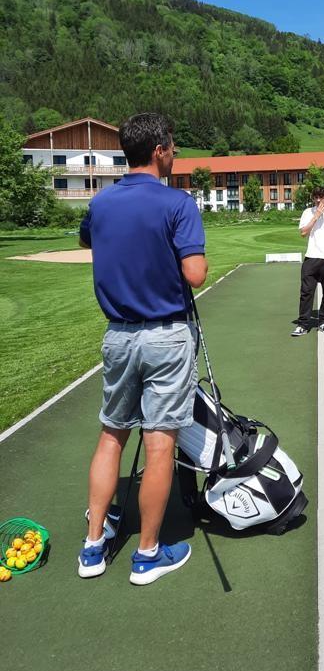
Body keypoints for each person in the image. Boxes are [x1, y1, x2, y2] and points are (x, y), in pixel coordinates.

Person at [77, 113, 207, 585]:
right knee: (159, 444)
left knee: (112, 434)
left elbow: (92, 239)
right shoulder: (177, 203)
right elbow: (195, 275)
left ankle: (93, 547)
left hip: (118, 335)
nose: (175, 155)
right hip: (166, 336)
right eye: (172, 147)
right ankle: (148, 554)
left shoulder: (102, 201)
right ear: (159, 150)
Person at [291, 186, 324, 336]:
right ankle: (303, 324)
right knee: (306, 292)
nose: (318, 200)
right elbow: (303, 233)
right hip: (311, 257)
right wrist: (316, 216)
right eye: (315, 197)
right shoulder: (307, 212)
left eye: (321, 197)